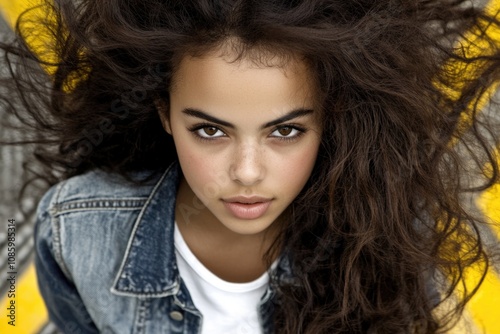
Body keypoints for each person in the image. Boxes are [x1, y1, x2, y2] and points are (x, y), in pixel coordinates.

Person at [2, 0, 500, 333]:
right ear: (164, 115)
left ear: (331, 122)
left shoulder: (394, 230)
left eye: (285, 131)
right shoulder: (76, 228)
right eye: (210, 130)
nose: (246, 172)